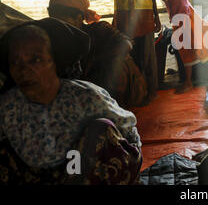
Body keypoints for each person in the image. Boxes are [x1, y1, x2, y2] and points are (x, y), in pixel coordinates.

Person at [0, 18, 142, 184]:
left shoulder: (86, 97)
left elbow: (128, 133)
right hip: (37, 177)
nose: (23, 70)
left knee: (102, 129)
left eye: (35, 60)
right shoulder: (8, 105)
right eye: (15, 62)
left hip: (81, 174)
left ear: (54, 61)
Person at [47, 0, 149, 108]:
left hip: (108, 92)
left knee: (117, 64)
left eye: (63, 22)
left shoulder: (99, 29)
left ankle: (112, 110)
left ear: (79, 18)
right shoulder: (51, 36)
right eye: (54, 21)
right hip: (79, 95)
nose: (59, 27)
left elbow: (126, 44)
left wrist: (96, 62)